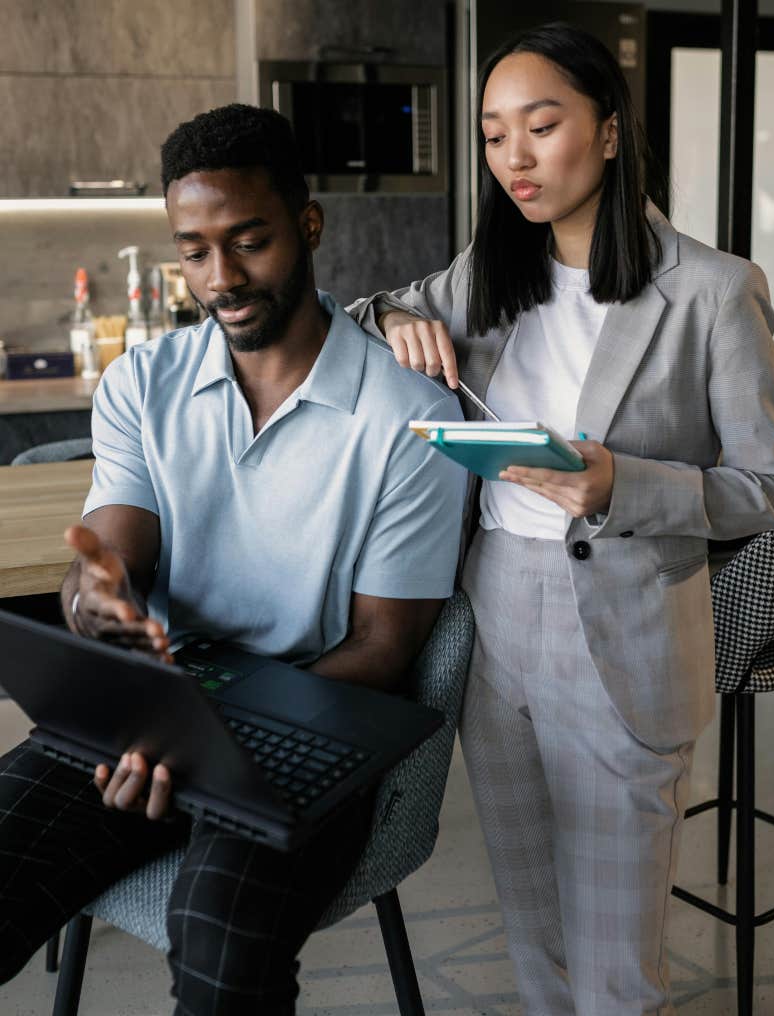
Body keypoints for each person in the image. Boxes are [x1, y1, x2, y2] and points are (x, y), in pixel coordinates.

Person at [348, 22, 774, 1016]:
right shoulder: (485, 275)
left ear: (605, 131)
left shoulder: (712, 290)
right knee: (534, 934)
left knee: (614, 963)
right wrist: (392, 316)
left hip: (627, 624)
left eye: (540, 125)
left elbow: (772, 486)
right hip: (496, 615)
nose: (514, 156)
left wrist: (619, 486)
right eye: (491, 133)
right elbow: (356, 319)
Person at [0, 104, 465, 1014]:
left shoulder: (412, 417)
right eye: (195, 250)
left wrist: (204, 738)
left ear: (308, 224)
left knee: (220, 951)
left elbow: (382, 648)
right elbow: (117, 552)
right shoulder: (145, 380)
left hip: (319, 723)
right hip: (157, 710)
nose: (223, 278)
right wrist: (93, 596)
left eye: (248, 241)